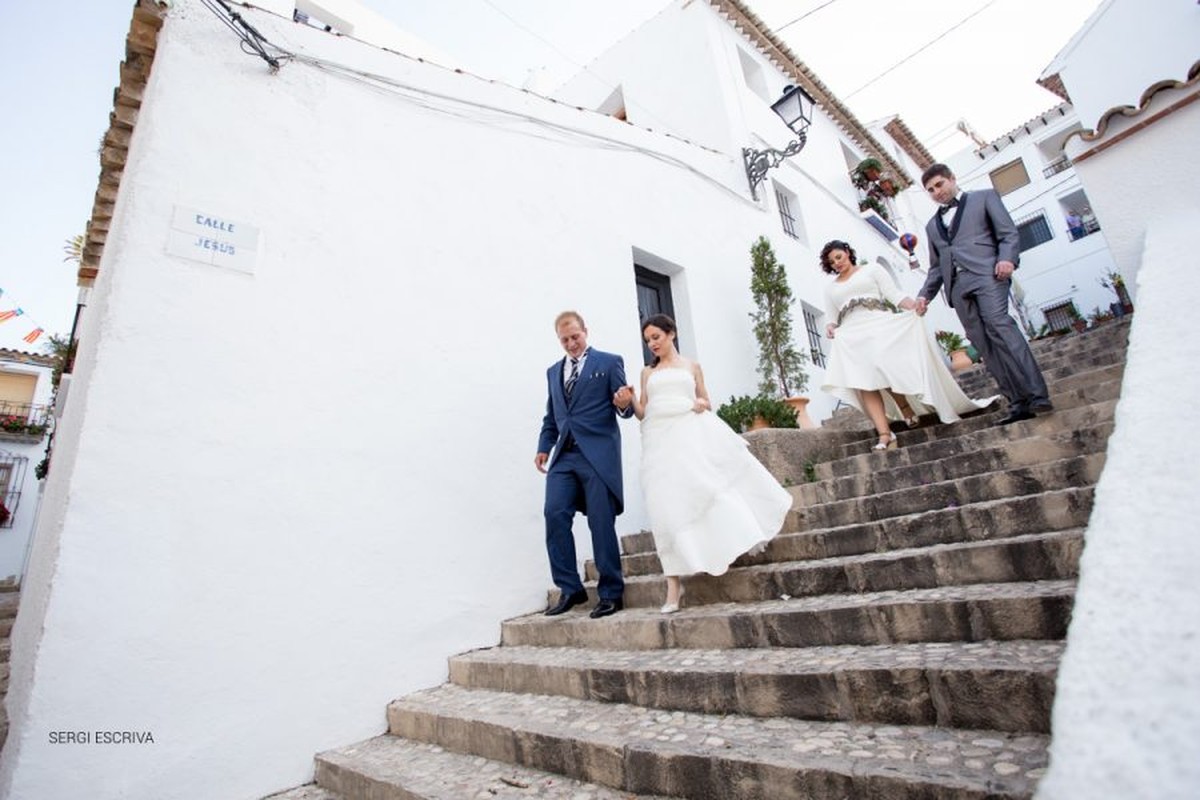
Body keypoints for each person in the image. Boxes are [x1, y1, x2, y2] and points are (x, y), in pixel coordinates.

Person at [628, 314, 791, 614]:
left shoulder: (692, 366)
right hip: (659, 442)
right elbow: (644, 412)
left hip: (689, 434)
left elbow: (705, 401)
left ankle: (719, 544)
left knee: (703, 491)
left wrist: (701, 404)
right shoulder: (647, 373)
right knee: (663, 506)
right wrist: (628, 402)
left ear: (671, 334)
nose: (652, 344)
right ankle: (673, 585)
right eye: (648, 340)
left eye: (656, 337)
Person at [819, 240, 998, 450]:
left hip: (878, 325)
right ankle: (884, 434)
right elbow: (831, 317)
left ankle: (905, 407)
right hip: (851, 335)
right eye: (832, 262)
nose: (837, 263)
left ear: (848, 252)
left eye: (838, 257)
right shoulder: (830, 288)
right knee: (864, 382)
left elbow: (894, 295)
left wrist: (914, 306)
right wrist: (830, 327)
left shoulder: (872, 269)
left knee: (885, 368)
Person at [915, 163, 1052, 425]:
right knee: (984, 345)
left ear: (952, 178)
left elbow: (1008, 233)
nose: (936, 192)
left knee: (1000, 327)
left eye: (939, 184)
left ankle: (1037, 395)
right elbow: (936, 267)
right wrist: (924, 296)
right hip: (957, 289)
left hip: (988, 275)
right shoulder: (932, 226)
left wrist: (1007, 258)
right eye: (930, 190)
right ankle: (1017, 402)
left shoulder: (985, 198)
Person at [535, 311, 634, 619]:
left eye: (575, 337)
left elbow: (625, 407)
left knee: (601, 522)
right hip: (564, 456)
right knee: (554, 513)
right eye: (564, 340)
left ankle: (611, 593)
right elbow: (553, 417)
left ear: (585, 331)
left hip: (597, 455)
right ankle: (570, 588)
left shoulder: (609, 362)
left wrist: (624, 403)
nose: (571, 344)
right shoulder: (553, 372)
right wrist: (544, 447)